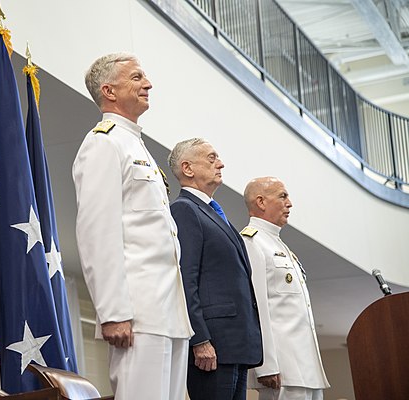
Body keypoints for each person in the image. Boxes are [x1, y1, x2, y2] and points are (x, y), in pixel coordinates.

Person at [72, 53, 193, 400]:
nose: (148, 84)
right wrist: (113, 313)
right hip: (137, 313)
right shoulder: (103, 142)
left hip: (168, 311)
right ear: (109, 91)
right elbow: (98, 233)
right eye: (137, 77)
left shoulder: (134, 144)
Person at [168, 138, 263, 400]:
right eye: (211, 158)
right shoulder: (184, 209)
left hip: (233, 346)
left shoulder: (215, 213)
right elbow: (185, 278)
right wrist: (199, 339)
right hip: (212, 346)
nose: (220, 163)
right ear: (188, 168)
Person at [241, 177, 329, 400]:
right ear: (261, 202)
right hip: (283, 367)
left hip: (307, 366)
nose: (289, 203)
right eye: (283, 196)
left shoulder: (280, 245)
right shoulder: (252, 242)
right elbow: (256, 306)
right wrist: (266, 365)